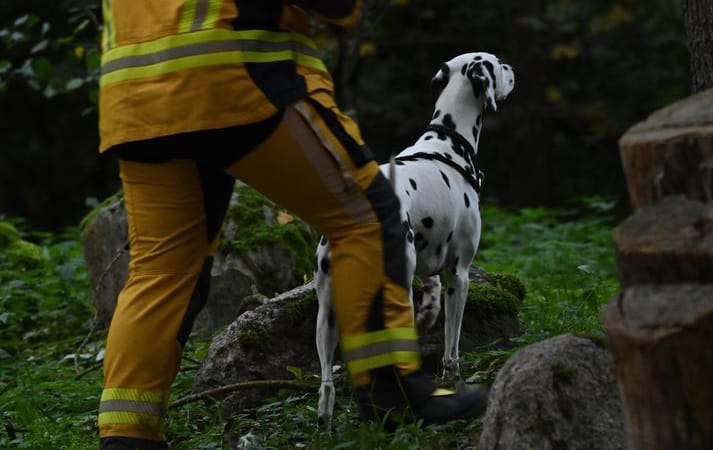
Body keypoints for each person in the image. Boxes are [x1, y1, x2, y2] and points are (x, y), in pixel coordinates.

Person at [96, 1, 487, 448]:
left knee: (161, 271)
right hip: (232, 76)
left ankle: (127, 436)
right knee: (369, 214)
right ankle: (392, 388)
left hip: (133, 98)